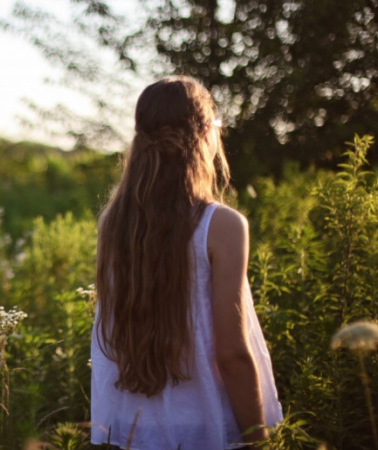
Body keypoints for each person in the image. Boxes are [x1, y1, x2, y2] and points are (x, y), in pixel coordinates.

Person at [90, 76, 283, 449]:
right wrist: (259, 440)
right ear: (205, 134)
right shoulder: (221, 225)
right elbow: (231, 353)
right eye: (217, 123)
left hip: (135, 430)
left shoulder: (114, 223)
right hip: (207, 427)